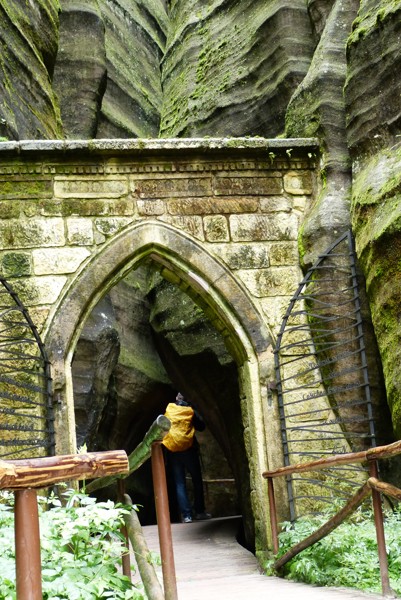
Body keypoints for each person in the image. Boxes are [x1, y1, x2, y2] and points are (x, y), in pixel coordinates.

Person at [162, 392, 212, 523]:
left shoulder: (169, 410)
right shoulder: (190, 412)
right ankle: (199, 511)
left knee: (179, 483)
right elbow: (201, 427)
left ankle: (186, 515)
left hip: (173, 451)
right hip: (189, 450)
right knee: (197, 480)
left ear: (176, 398)